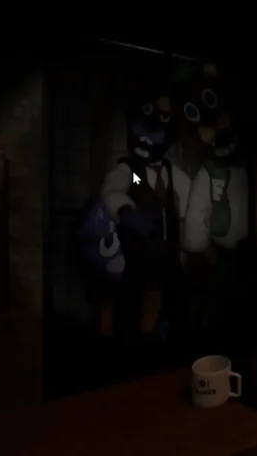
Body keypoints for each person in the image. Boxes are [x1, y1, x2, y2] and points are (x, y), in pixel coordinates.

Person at [101, 94, 191, 339]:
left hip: (169, 254)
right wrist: (126, 212)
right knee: (132, 300)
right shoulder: (131, 171)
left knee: (176, 300)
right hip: (138, 254)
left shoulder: (172, 172)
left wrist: (193, 231)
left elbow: (189, 196)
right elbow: (113, 190)